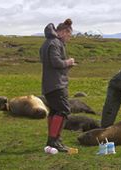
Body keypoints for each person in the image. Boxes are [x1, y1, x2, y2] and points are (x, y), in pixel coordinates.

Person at [40, 19, 76, 152]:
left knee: (55, 111)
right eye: (69, 35)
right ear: (63, 32)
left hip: (49, 84)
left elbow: (51, 65)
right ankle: (55, 141)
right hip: (56, 85)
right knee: (64, 110)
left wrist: (67, 67)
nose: (69, 39)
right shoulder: (55, 43)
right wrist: (68, 61)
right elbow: (56, 62)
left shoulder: (47, 43)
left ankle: (51, 140)